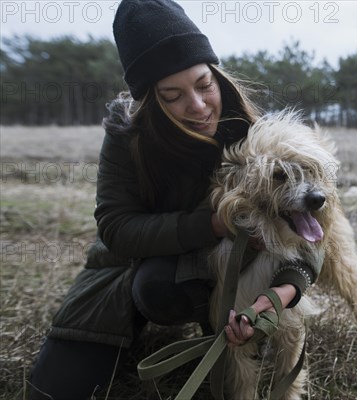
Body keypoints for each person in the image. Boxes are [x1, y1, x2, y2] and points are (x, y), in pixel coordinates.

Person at [27, 0, 320, 398]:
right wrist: (215, 224)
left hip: (227, 272)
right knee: (55, 390)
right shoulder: (126, 136)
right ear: (149, 100)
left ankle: (219, 325)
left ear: (218, 76)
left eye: (204, 85)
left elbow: (313, 228)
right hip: (125, 266)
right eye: (172, 95)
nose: (198, 107)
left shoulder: (254, 135)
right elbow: (116, 227)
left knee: (170, 294)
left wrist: (284, 291)